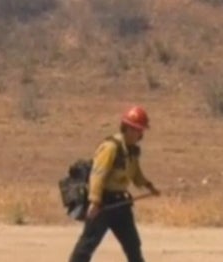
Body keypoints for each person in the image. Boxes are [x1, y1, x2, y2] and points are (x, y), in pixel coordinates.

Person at [67, 105, 160, 262]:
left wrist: (149, 186)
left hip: (121, 204)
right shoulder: (110, 148)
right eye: (139, 130)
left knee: (133, 245)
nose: (141, 134)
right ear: (130, 129)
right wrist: (95, 201)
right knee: (87, 245)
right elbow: (98, 174)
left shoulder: (131, 151)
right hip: (103, 204)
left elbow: (136, 174)